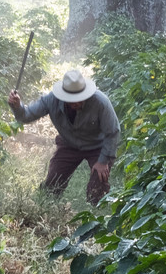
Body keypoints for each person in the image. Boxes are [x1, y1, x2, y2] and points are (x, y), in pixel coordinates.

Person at [8, 68, 120, 204]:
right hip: (69, 144)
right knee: (51, 188)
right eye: (71, 100)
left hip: (98, 146)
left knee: (97, 188)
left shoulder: (100, 101)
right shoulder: (51, 100)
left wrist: (103, 162)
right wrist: (17, 106)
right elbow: (26, 116)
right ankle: (46, 210)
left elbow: (112, 132)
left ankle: (97, 215)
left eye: (80, 99)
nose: (76, 103)